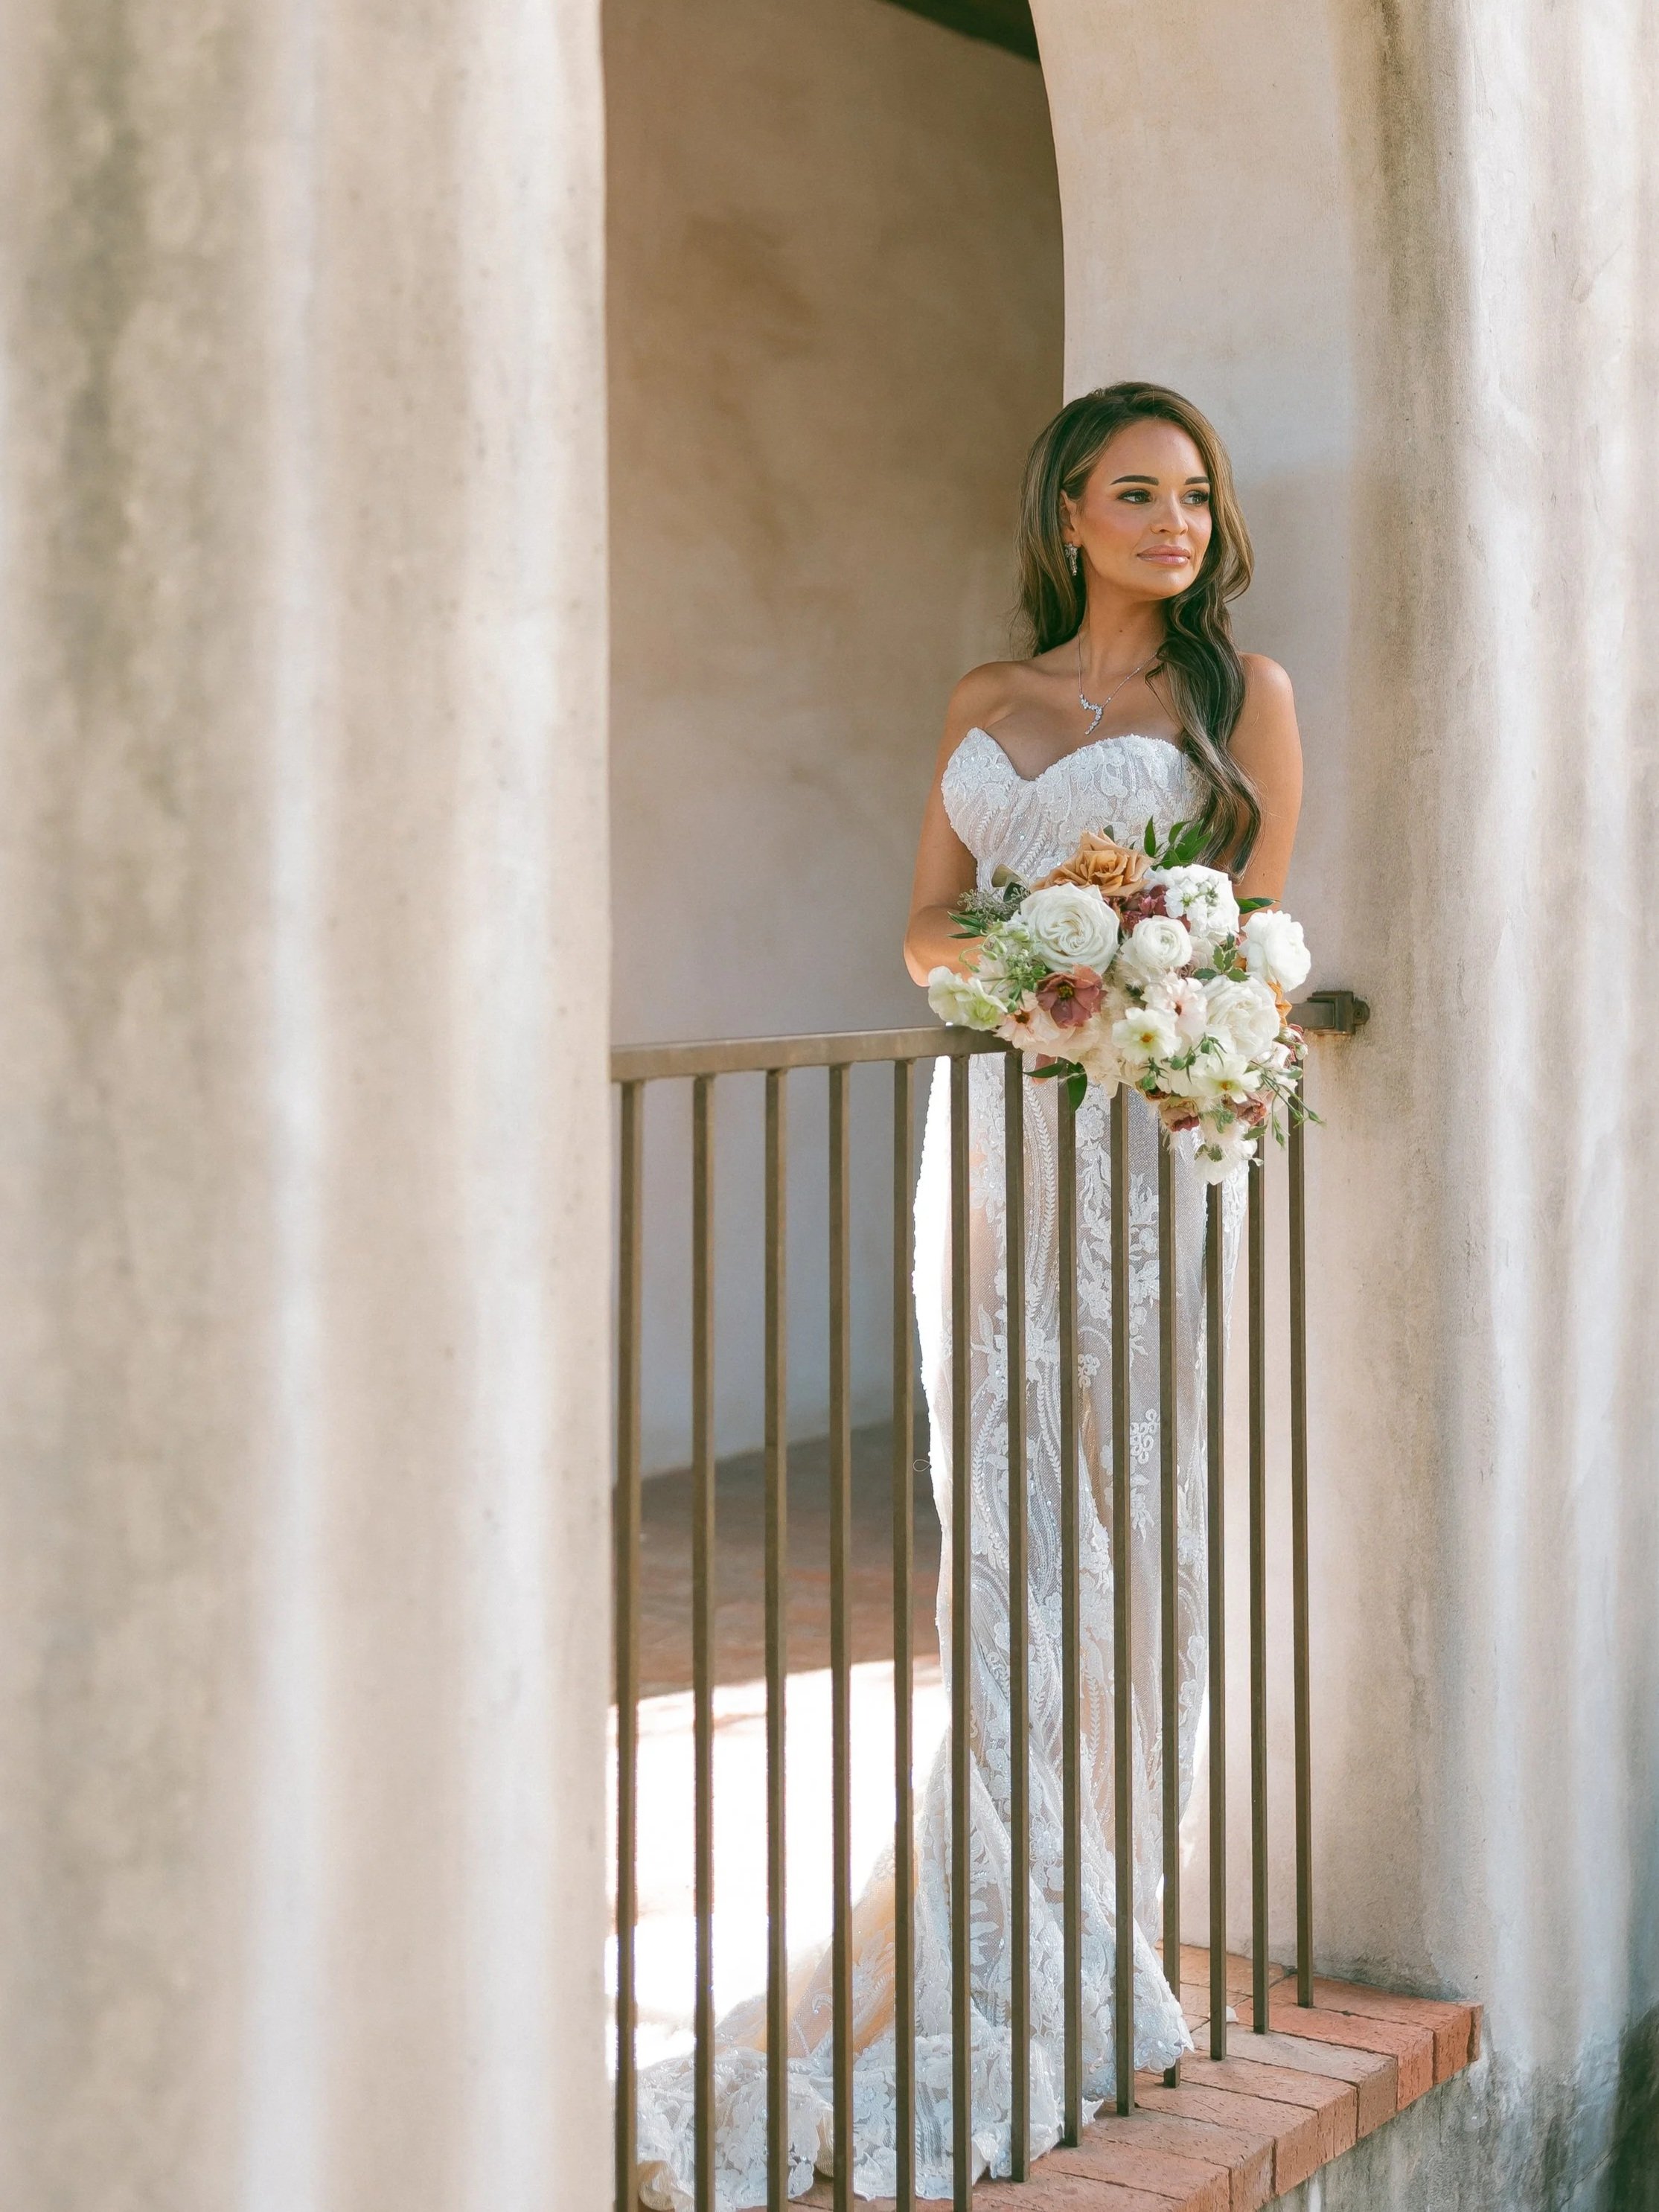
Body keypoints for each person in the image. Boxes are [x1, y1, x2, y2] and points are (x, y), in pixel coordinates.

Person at [636, 382, 1302, 2210]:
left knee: (1121, 1484)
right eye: (1134, 493)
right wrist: (1028, 958)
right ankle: (988, 1866)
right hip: (999, 1124)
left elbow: (1242, 922)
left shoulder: (1240, 705)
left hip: (1135, 1136)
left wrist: (1136, 968)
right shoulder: (977, 708)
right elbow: (922, 924)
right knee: (1001, 1479)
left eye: (1193, 495)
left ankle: (1093, 1890)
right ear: (1067, 515)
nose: (1171, 522)